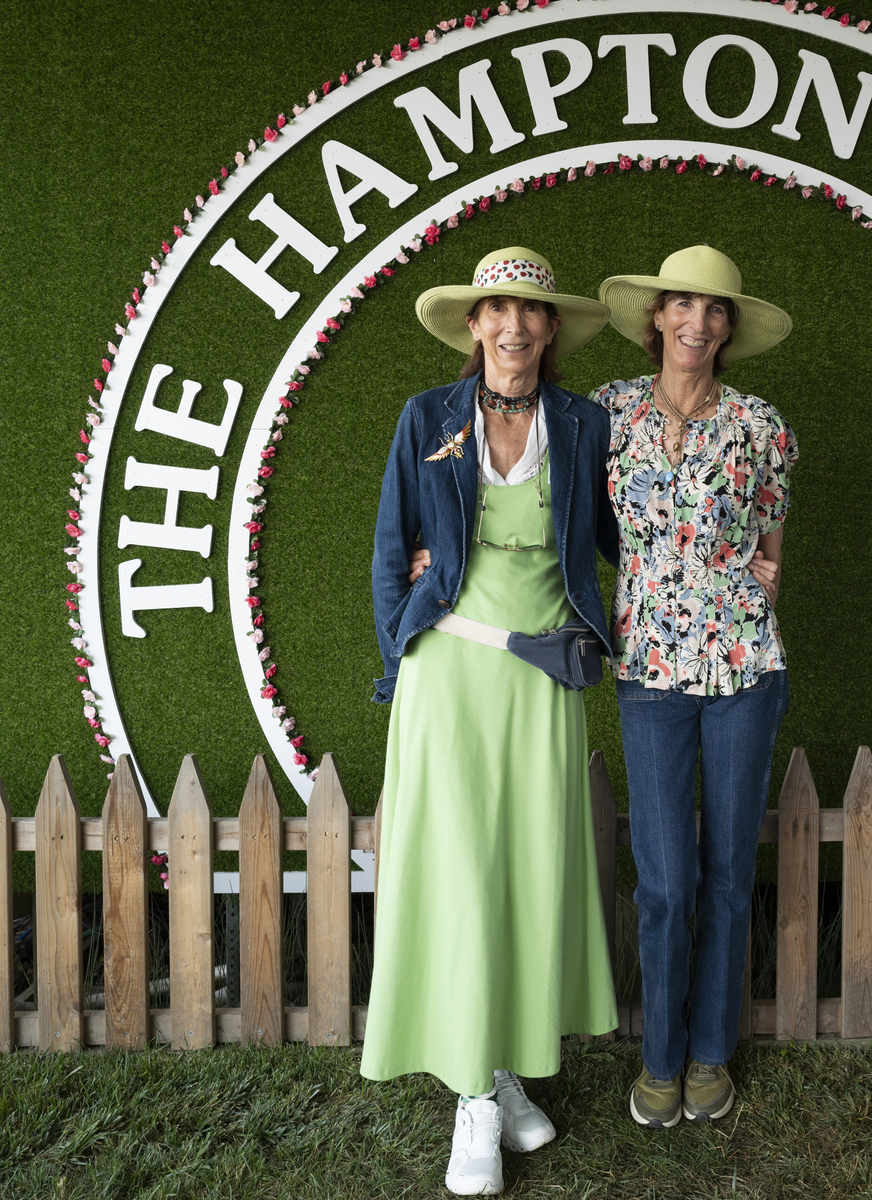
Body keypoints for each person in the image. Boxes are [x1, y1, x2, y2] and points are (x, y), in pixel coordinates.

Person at [364, 246, 619, 1197]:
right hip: (450, 677)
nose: (513, 326)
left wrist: (740, 560)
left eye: (531, 312)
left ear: (551, 330)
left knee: (524, 877)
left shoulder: (586, 425)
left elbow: (621, 536)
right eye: (495, 311)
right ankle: (474, 1098)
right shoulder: (426, 418)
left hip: (543, 682)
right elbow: (394, 550)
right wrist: (402, 661)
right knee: (464, 876)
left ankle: (504, 1060)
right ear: (474, 326)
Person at [591, 246, 797, 1128]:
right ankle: (660, 1059)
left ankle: (712, 1052)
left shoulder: (762, 425)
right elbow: (583, 525)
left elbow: (775, 538)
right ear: (657, 317)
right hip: (650, 671)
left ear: (729, 328)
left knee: (724, 876)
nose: (697, 323)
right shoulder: (607, 414)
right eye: (683, 305)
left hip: (747, 668)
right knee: (666, 882)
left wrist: (768, 577)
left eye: (715, 311)